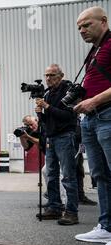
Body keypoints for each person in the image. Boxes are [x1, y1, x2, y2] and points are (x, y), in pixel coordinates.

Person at [73, 7, 111, 245]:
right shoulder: (95, 51)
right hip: (91, 119)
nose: (82, 30)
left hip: (107, 114)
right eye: (79, 28)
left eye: (87, 25)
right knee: (100, 175)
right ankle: (106, 226)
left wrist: (95, 100)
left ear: (103, 21)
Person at [35, 64, 79, 225]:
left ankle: (72, 212)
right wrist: (41, 115)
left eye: (52, 75)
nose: (48, 78)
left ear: (60, 76)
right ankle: (54, 207)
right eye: (46, 75)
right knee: (51, 174)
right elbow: (49, 120)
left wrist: (47, 107)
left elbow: (68, 116)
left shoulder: (68, 91)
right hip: (51, 137)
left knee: (68, 175)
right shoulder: (47, 94)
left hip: (65, 136)